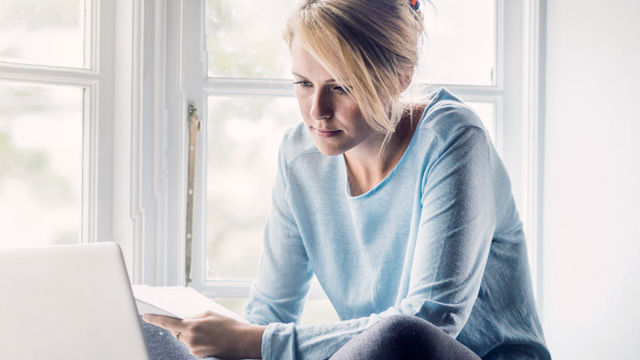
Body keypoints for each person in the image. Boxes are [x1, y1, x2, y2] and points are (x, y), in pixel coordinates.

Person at [143, 0, 552, 359]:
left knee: (401, 335)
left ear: (401, 76)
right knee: (157, 335)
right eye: (304, 84)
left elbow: (433, 319)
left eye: (341, 86)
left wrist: (259, 343)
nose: (317, 110)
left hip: (434, 353)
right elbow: (270, 312)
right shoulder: (299, 157)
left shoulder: (453, 139)